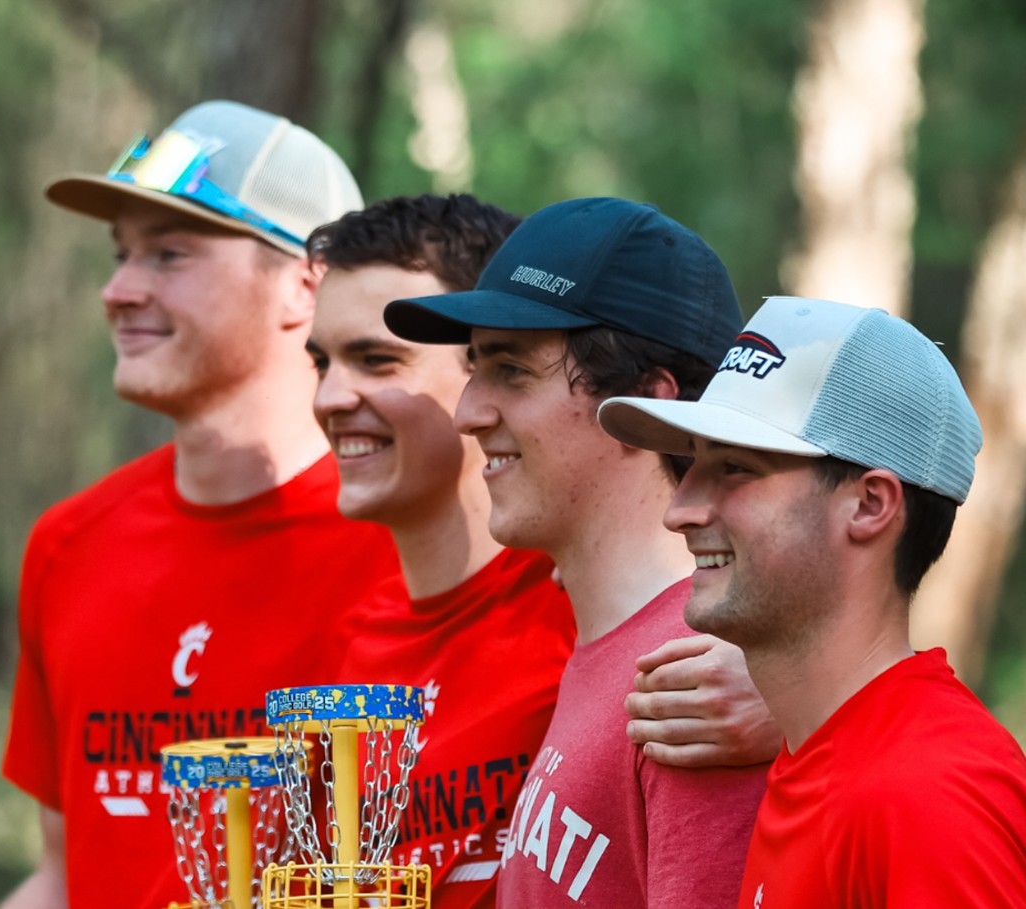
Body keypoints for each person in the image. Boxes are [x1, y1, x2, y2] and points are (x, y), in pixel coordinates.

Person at [0, 100, 399, 909]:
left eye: (169, 254)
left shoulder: (416, 540)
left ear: (304, 286)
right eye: (120, 255)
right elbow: (63, 874)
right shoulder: (68, 545)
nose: (117, 290)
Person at [383, 197, 770, 908]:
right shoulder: (624, 650)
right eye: (475, 367)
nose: (468, 411)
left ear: (646, 411)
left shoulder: (697, 687)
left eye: (511, 370)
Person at [598, 295, 1026, 908]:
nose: (680, 511)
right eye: (693, 466)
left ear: (871, 505)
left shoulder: (930, 794)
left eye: (737, 468)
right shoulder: (824, 758)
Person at [305, 193, 575, 909]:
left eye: (376, 360)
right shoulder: (352, 650)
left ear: (487, 369)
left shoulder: (583, 607)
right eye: (321, 361)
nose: (331, 396)